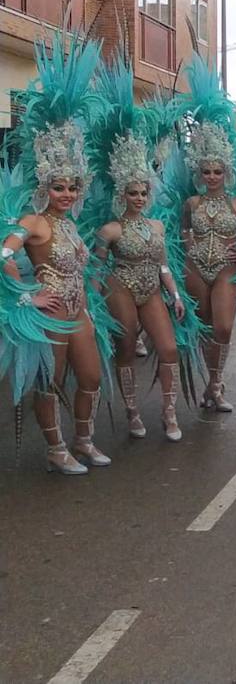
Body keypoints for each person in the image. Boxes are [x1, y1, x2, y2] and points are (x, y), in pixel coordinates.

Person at [1, 121, 107, 473]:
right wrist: (27, 297)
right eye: (59, 187)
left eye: (72, 188)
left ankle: (83, 441)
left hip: (79, 310)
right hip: (53, 311)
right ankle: (55, 448)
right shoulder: (34, 221)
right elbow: (4, 254)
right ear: (46, 188)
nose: (66, 194)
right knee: (53, 381)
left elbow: (79, 268)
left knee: (90, 377)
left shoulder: (69, 224)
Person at [96, 135, 186, 441]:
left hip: (151, 290)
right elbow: (98, 268)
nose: (138, 197)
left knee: (169, 349)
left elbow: (163, 266)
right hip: (121, 286)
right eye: (132, 193)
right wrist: (92, 305)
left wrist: (174, 295)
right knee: (126, 347)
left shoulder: (157, 227)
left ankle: (169, 413)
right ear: (122, 195)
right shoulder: (110, 230)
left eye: (143, 193)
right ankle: (132, 411)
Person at [180, 122, 236, 413]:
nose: (212, 177)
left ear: (226, 173)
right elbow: (183, 233)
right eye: (207, 172)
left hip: (227, 269)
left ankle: (215, 385)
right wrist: (187, 251)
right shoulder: (191, 203)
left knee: (223, 327)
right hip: (195, 269)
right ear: (200, 174)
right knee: (206, 329)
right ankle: (214, 386)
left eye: (217, 172)